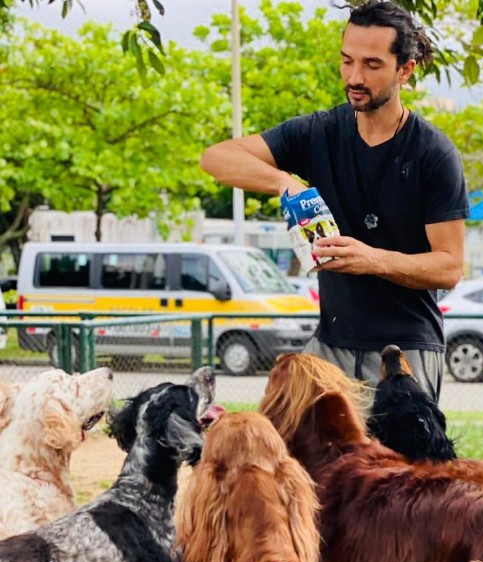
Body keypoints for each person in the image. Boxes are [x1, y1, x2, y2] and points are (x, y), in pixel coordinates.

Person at [200, 0, 469, 403]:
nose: (354, 77)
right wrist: (283, 182)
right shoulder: (317, 133)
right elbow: (216, 158)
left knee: (398, 469)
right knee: (289, 459)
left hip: (406, 353)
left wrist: (372, 259)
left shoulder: (433, 153)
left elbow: (449, 266)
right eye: (347, 61)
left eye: (372, 65)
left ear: (405, 70)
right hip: (328, 346)